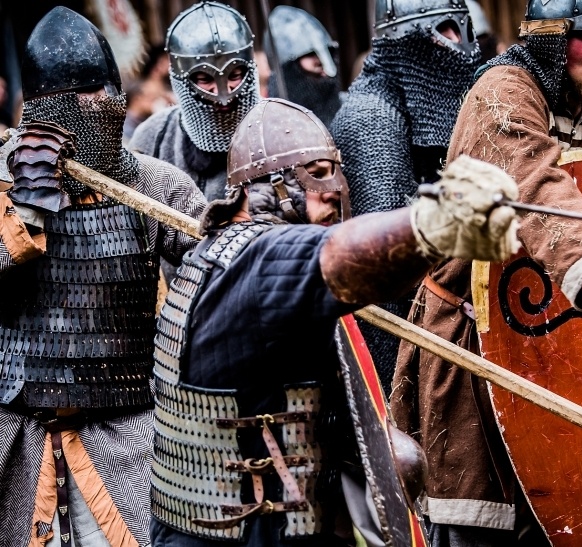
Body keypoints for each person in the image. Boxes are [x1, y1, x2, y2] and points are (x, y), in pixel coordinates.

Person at [148, 97, 520, 546]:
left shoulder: (216, 256)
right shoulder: (259, 259)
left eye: (334, 171)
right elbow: (338, 256)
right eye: (317, 173)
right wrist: (434, 224)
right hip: (240, 537)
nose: (335, 190)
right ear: (264, 187)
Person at [390, 1, 582, 545]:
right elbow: (535, 185)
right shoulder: (502, 93)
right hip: (477, 344)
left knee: (579, 514)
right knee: (483, 521)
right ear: (550, 38)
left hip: (578, 351)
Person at [0, 7, 206, 547]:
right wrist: (26, 200)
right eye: (82, 97)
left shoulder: (157, 187)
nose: (99, 106)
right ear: (45, 108)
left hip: (129, 433)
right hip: (20, 435)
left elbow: (213, 275)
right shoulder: (1, 185)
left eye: (104, 93)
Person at [331, 0, 481, 392]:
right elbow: (382, 277)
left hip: (443, 323)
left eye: (462, 28)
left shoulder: (424, 106)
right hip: (399, 343)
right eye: (444, 30)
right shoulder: (371, 120)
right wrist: (394, 391)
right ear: (405, 37)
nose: (460, 42)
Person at [129, 1, 260, 202]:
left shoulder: (277, 125)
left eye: (234, 75)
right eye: (205, 79)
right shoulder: (155, 136)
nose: (223, 93)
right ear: (183, 79)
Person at [267, 6, 344, 128]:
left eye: (326, 52)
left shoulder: (348, 109)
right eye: (310, 54)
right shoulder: (272, 123)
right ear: (288, 67)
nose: (320, 61)